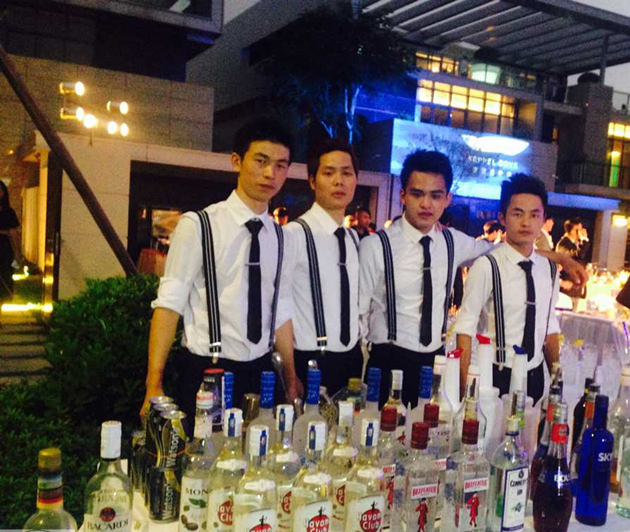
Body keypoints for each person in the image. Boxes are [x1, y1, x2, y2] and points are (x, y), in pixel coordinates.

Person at [359, 150, 586, 407]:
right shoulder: (375, 246)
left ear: (447, 199)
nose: (426, 204)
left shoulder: (452, 241)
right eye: (417, 194)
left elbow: (509, 251)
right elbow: (358, 314)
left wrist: (562, 258)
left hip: (435, 361)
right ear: (402, 195)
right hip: (386, 359)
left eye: (435, 196)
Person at [142, 118, 299, 429]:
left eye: (281, 165)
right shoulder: (198, 226)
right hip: (207, 371)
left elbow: (281, 309)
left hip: (262, 371)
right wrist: (153, 385)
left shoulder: (283, 238)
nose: (271, 173)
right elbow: (169, 305)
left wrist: (291, 378)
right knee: (204, 456)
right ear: (236, 161)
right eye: (261, 161)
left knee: (262, 455)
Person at [455, 174, 560, 402]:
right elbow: (465, 328)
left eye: (534, 215)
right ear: (502, 218)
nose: (526, 223)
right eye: (518, 214)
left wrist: (556, 379)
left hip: (535, 376)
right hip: (497, 375)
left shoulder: (550, 270)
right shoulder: (487, 266)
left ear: (543, 219)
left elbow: (550, 325)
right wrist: (464, 391)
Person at [284, 138, 362, 396]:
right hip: (310, 361)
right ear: (312, 181)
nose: (339, 181)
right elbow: (279, 308)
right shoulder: (294, 234)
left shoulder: (353, 238)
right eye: (329, 173)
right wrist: (289, 374)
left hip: (352, 360)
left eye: (347, 173)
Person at [0, 181, 21, 307]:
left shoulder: (9, 212)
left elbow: (13, 233)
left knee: (4, 277)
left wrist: (17, 252)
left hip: (4, 249)